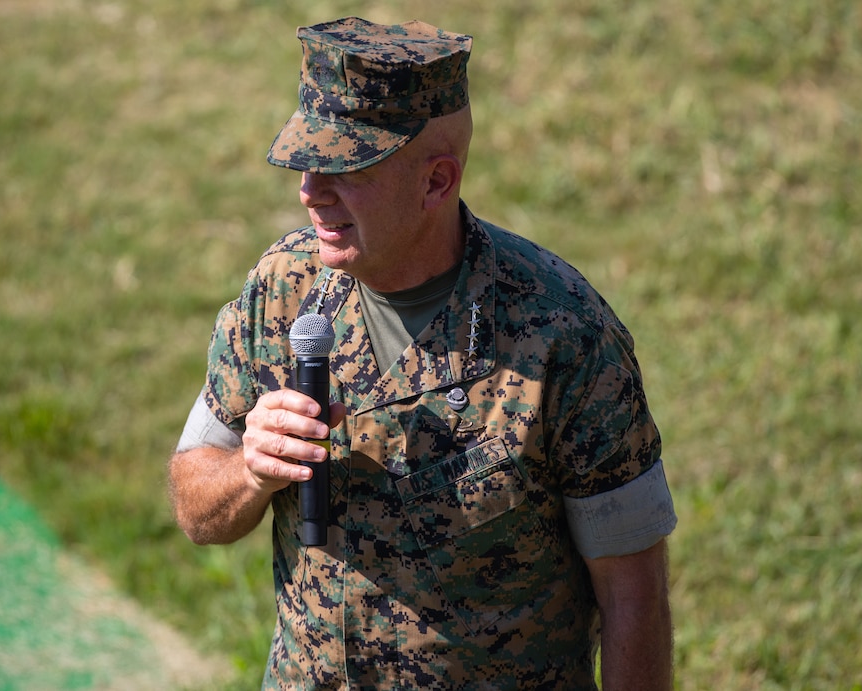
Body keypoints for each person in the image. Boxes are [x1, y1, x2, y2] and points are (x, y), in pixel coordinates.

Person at [169, 16, 677, 690]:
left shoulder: (562, 333)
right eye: (304, 160)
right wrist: (248, 470)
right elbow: (194, 499)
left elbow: (633, 595)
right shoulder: (284, 289)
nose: (309, 190)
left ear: (436, 182)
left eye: (344, 167)